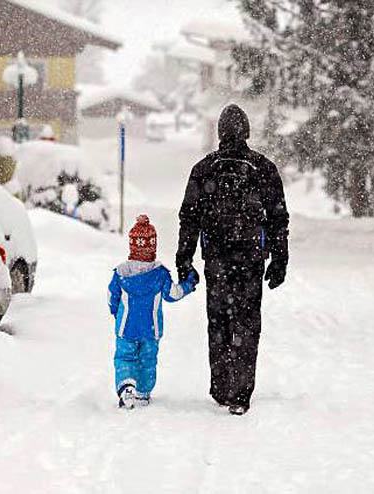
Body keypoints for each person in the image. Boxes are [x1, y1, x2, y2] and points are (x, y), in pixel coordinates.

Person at [176, 104, 290, 416]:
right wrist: (280, 259)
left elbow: (189, 218)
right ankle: (241, 393)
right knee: (247, 322)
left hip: (217, 258)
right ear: (247, 132)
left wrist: (184, 260)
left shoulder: (204, 169)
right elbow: (279, 218)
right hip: (250, 258)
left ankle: (221, 387)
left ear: (220, 134)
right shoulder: (263, 168)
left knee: (220, 321)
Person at [108, 214, 197, 409]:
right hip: (151, 328)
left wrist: (116, 313)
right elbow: (173, 294)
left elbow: (112, 297)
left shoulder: (121, 274)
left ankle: (126, 387)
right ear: (152, 246)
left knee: (125, 357)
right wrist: (189, 284)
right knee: (148, 360)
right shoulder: (160, 274)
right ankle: (143, 392)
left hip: (126, 328)